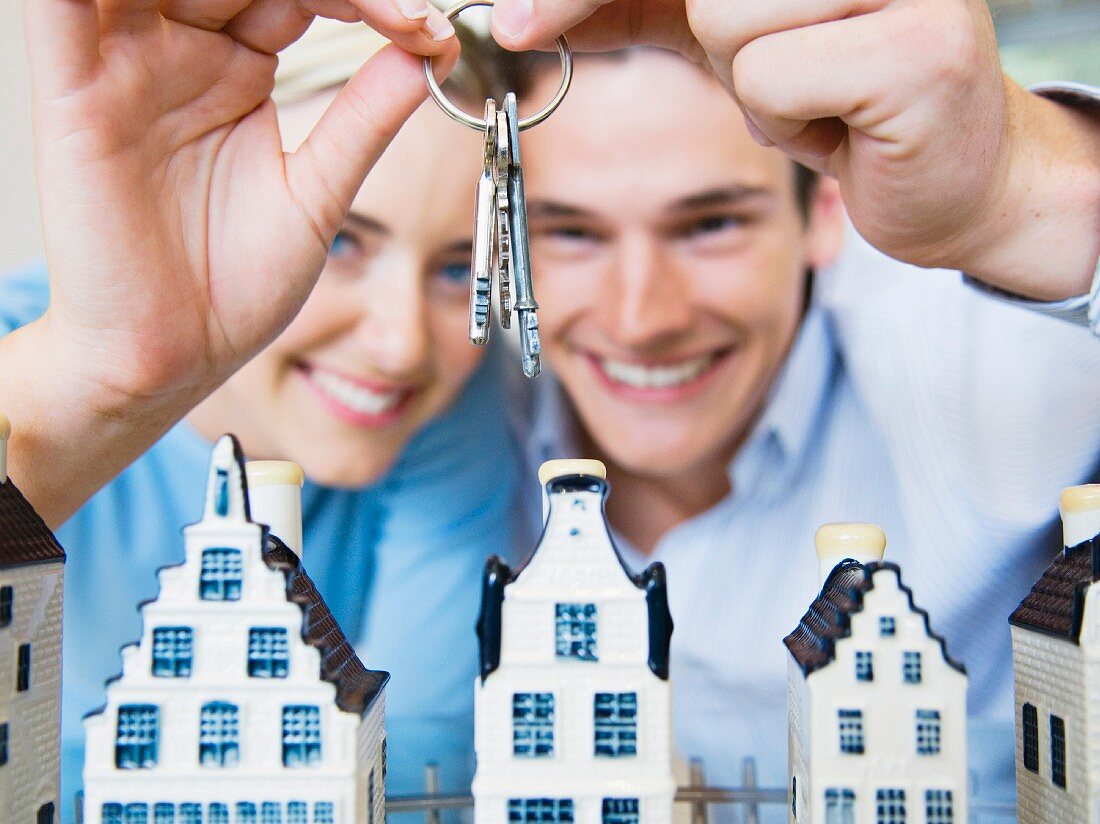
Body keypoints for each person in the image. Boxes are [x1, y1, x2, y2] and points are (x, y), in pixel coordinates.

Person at [502, 12, 1100, 822]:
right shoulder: (440, 417)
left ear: (823, 213)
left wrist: (1020, 182)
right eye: (570, 232)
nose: (641, 317)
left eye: (711, 224)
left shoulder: (980, 375)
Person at [1, 19, 520, 819]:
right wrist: (101, 384)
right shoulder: (23, 356)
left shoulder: (457, 391)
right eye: (340, 241)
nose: (399, 343)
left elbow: (421, 768)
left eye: (460, 268)